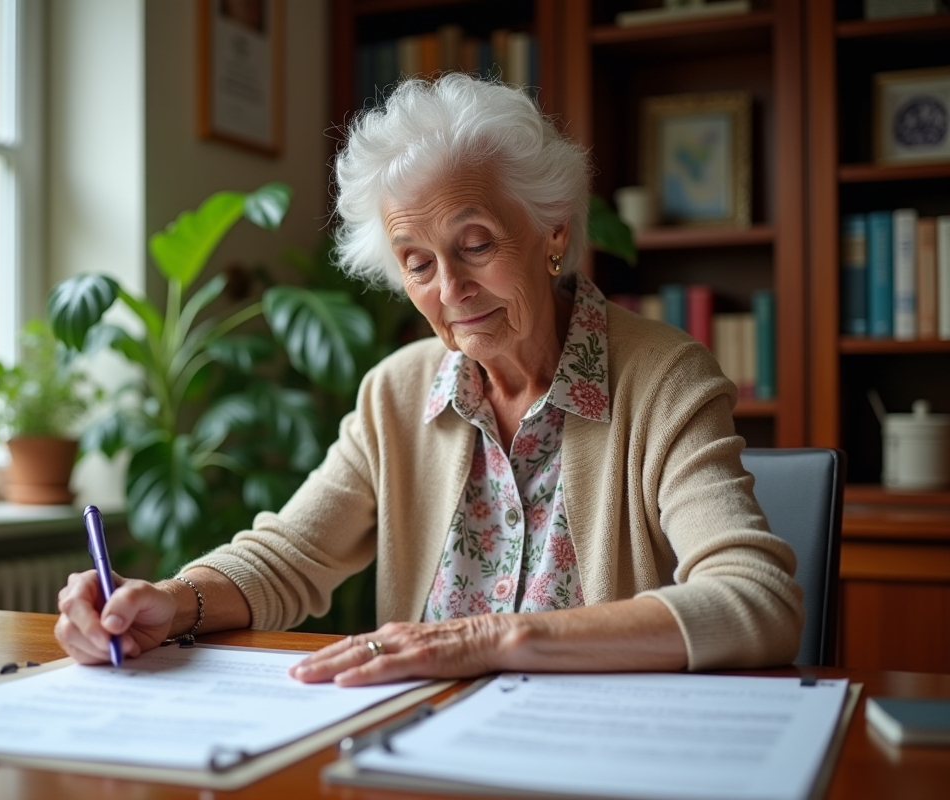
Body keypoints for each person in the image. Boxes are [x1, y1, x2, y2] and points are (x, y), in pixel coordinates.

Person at [55, 73, 803, 685]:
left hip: (599, 751)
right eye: (417, 262)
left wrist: (493, 639)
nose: (451, 288)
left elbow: (756, 602)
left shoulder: (664, 379)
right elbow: (290, 555)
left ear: (553, 231)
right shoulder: (397, 393)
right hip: (419, 748)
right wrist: (170, 601)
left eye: (476, 244)